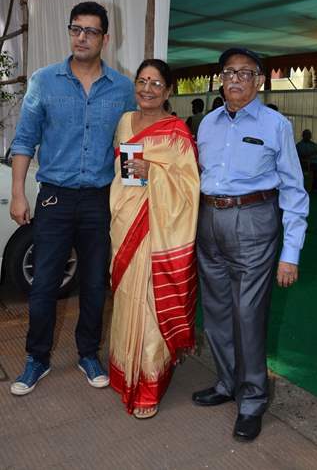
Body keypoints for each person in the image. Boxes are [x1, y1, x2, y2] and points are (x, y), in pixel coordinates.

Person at [9, 1, 136, 396]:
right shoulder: (45, 81)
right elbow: (24, 140)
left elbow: (131, 142)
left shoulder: (122, 87)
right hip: (54, 198)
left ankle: (87, 353)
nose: (82, 37)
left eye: (91, 31)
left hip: (100, 200)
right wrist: (17, 194)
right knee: (45, 281)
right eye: (76, 29)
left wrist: (132, 195)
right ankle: (37, 359)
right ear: (70, 32)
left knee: (96, 282)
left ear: (105, 38)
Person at [193, 47, 309, 441]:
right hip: (208, 221)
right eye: (229, 72)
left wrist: (290, 253)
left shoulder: (276, 125)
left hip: (254, 223)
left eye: (245, 72)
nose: (236, 79)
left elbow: (295, 190)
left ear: (259, 81)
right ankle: (227, 384)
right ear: (221, 80)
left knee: (247, 315)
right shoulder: (207, 124)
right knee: (217, 310)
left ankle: (254, 399)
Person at [108, 59, 199, 419]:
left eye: (156, 83)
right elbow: (121, 172)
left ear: (168, 90)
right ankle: (122, 371)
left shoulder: (176, 132)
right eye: (142, 81)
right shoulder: (124, 122)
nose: (147, 89)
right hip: (124, 219)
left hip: (158, 228)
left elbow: (190, 187)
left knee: (149, 302)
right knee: (127, 298)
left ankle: (147, 384)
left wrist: (156, 173)